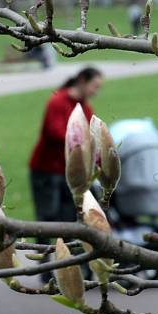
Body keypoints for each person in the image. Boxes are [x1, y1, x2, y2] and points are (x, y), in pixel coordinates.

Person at [29, 67, 103, 278]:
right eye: (94, 86)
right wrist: (84, 143)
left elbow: (92, 133)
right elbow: (56, 133)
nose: (95, 91)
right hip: (46, 171)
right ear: (82, 80)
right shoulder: (58, 102)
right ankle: (45, 269)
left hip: (69, 175)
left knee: (69, 219)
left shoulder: (85, 108)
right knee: (47, 219)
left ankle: (71, 267)